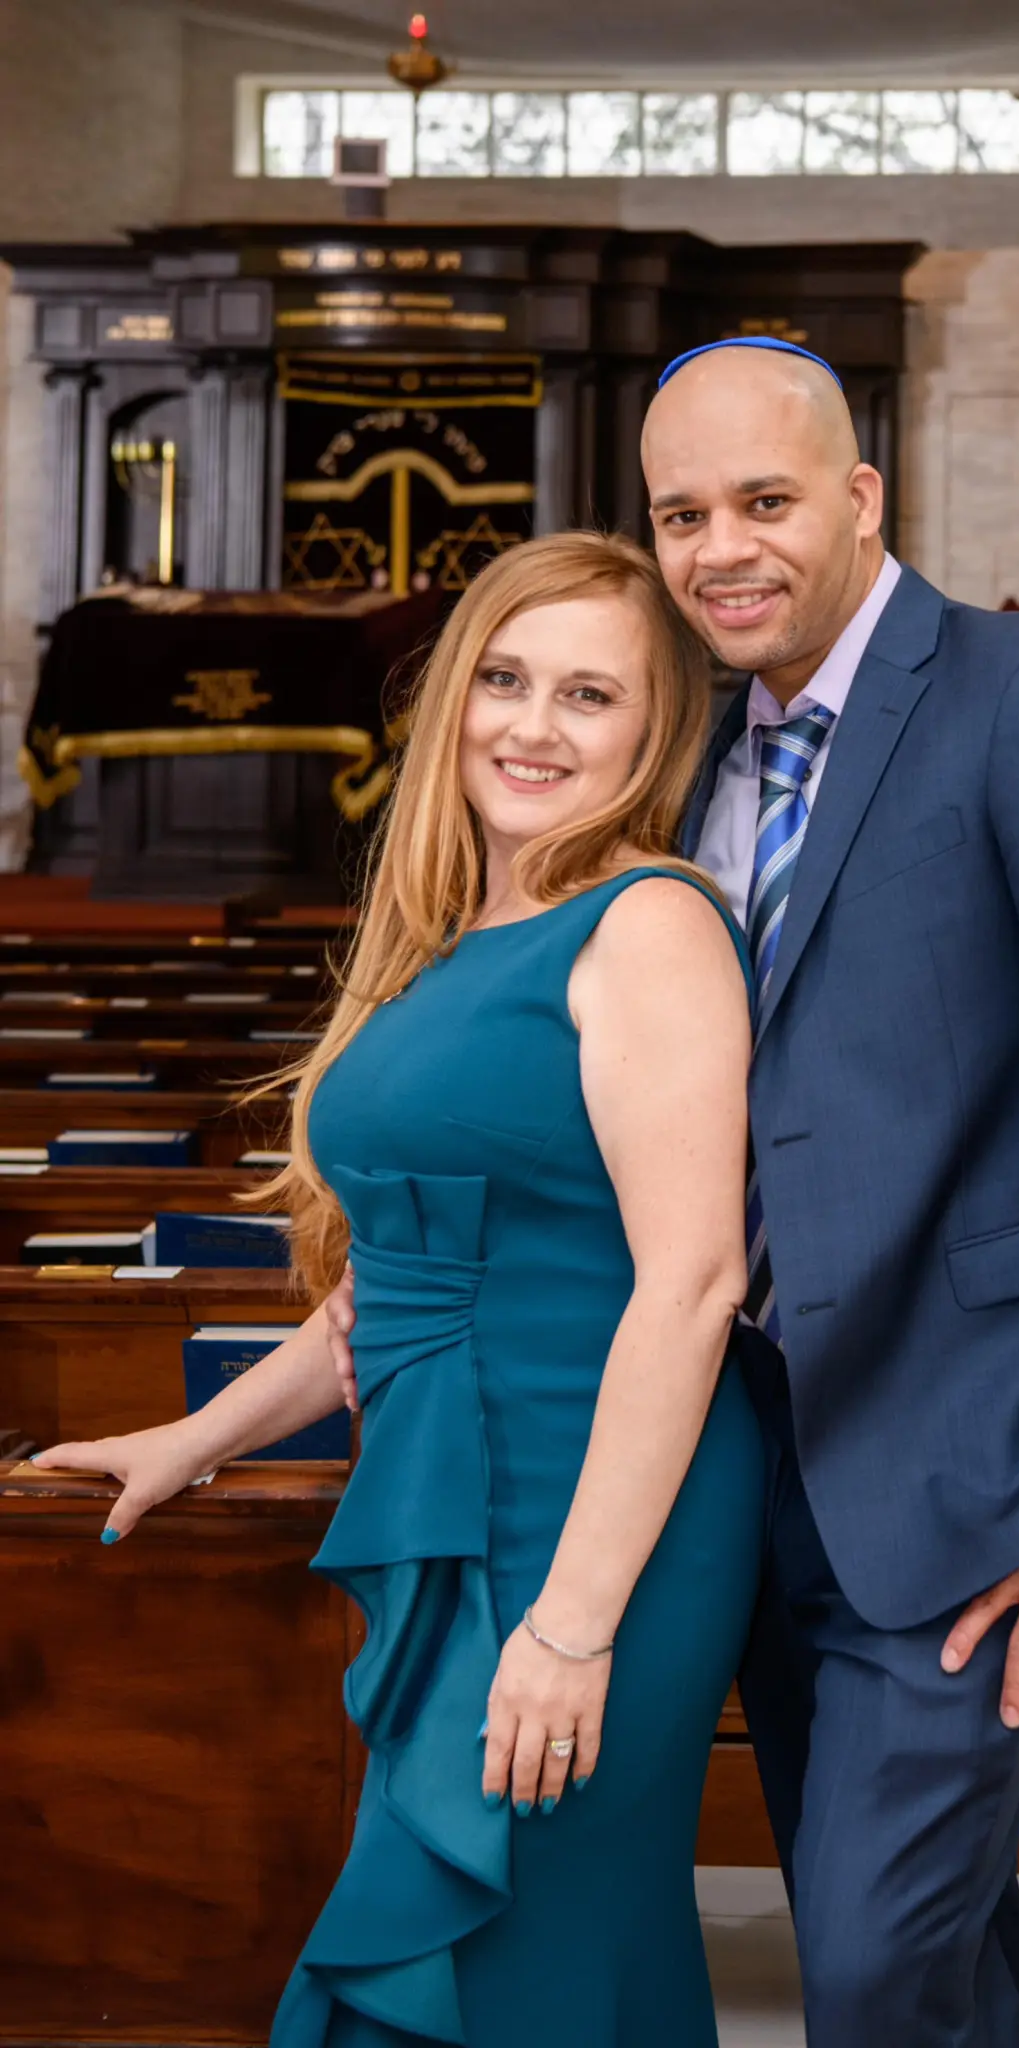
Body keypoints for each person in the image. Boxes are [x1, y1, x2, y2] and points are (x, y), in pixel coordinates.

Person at [33, 532, 765, 2048]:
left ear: (655, 733)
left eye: (589, 695)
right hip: (450, 1487)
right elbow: (391, 1290)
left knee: (525, 1936)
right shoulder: (448, 937)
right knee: (470, 1938)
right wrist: (192, 1440)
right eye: (503, 679)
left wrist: (572, 1626)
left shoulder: (649, 924)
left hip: (592, 1514)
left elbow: (694, 1286)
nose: (532, 726)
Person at [636, 335, 1019, 2046]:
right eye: (681, 514)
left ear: (859, 495)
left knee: (872, 1968)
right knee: (937, 1953)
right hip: (747, 1459)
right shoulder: (687, 751)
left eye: (763, 501)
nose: (721, 549)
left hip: (968, 1456)